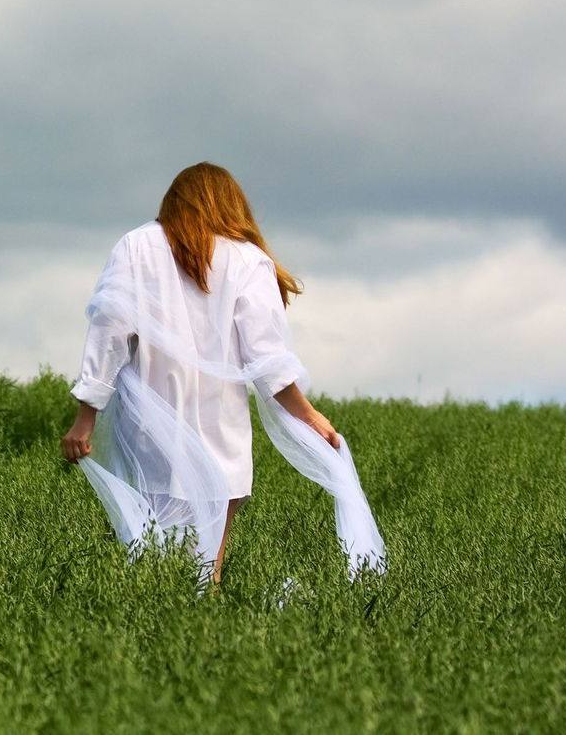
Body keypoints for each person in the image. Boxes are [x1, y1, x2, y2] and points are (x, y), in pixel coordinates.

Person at [58, 162, 385, 586]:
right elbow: (266, 357)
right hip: (219, 436)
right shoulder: (248, 261)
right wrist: (308, 416)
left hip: (147, 433)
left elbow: (109, 331)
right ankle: (197, 636)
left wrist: (87, 416)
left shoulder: (135, 246)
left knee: (149, 568)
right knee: (204, 573)